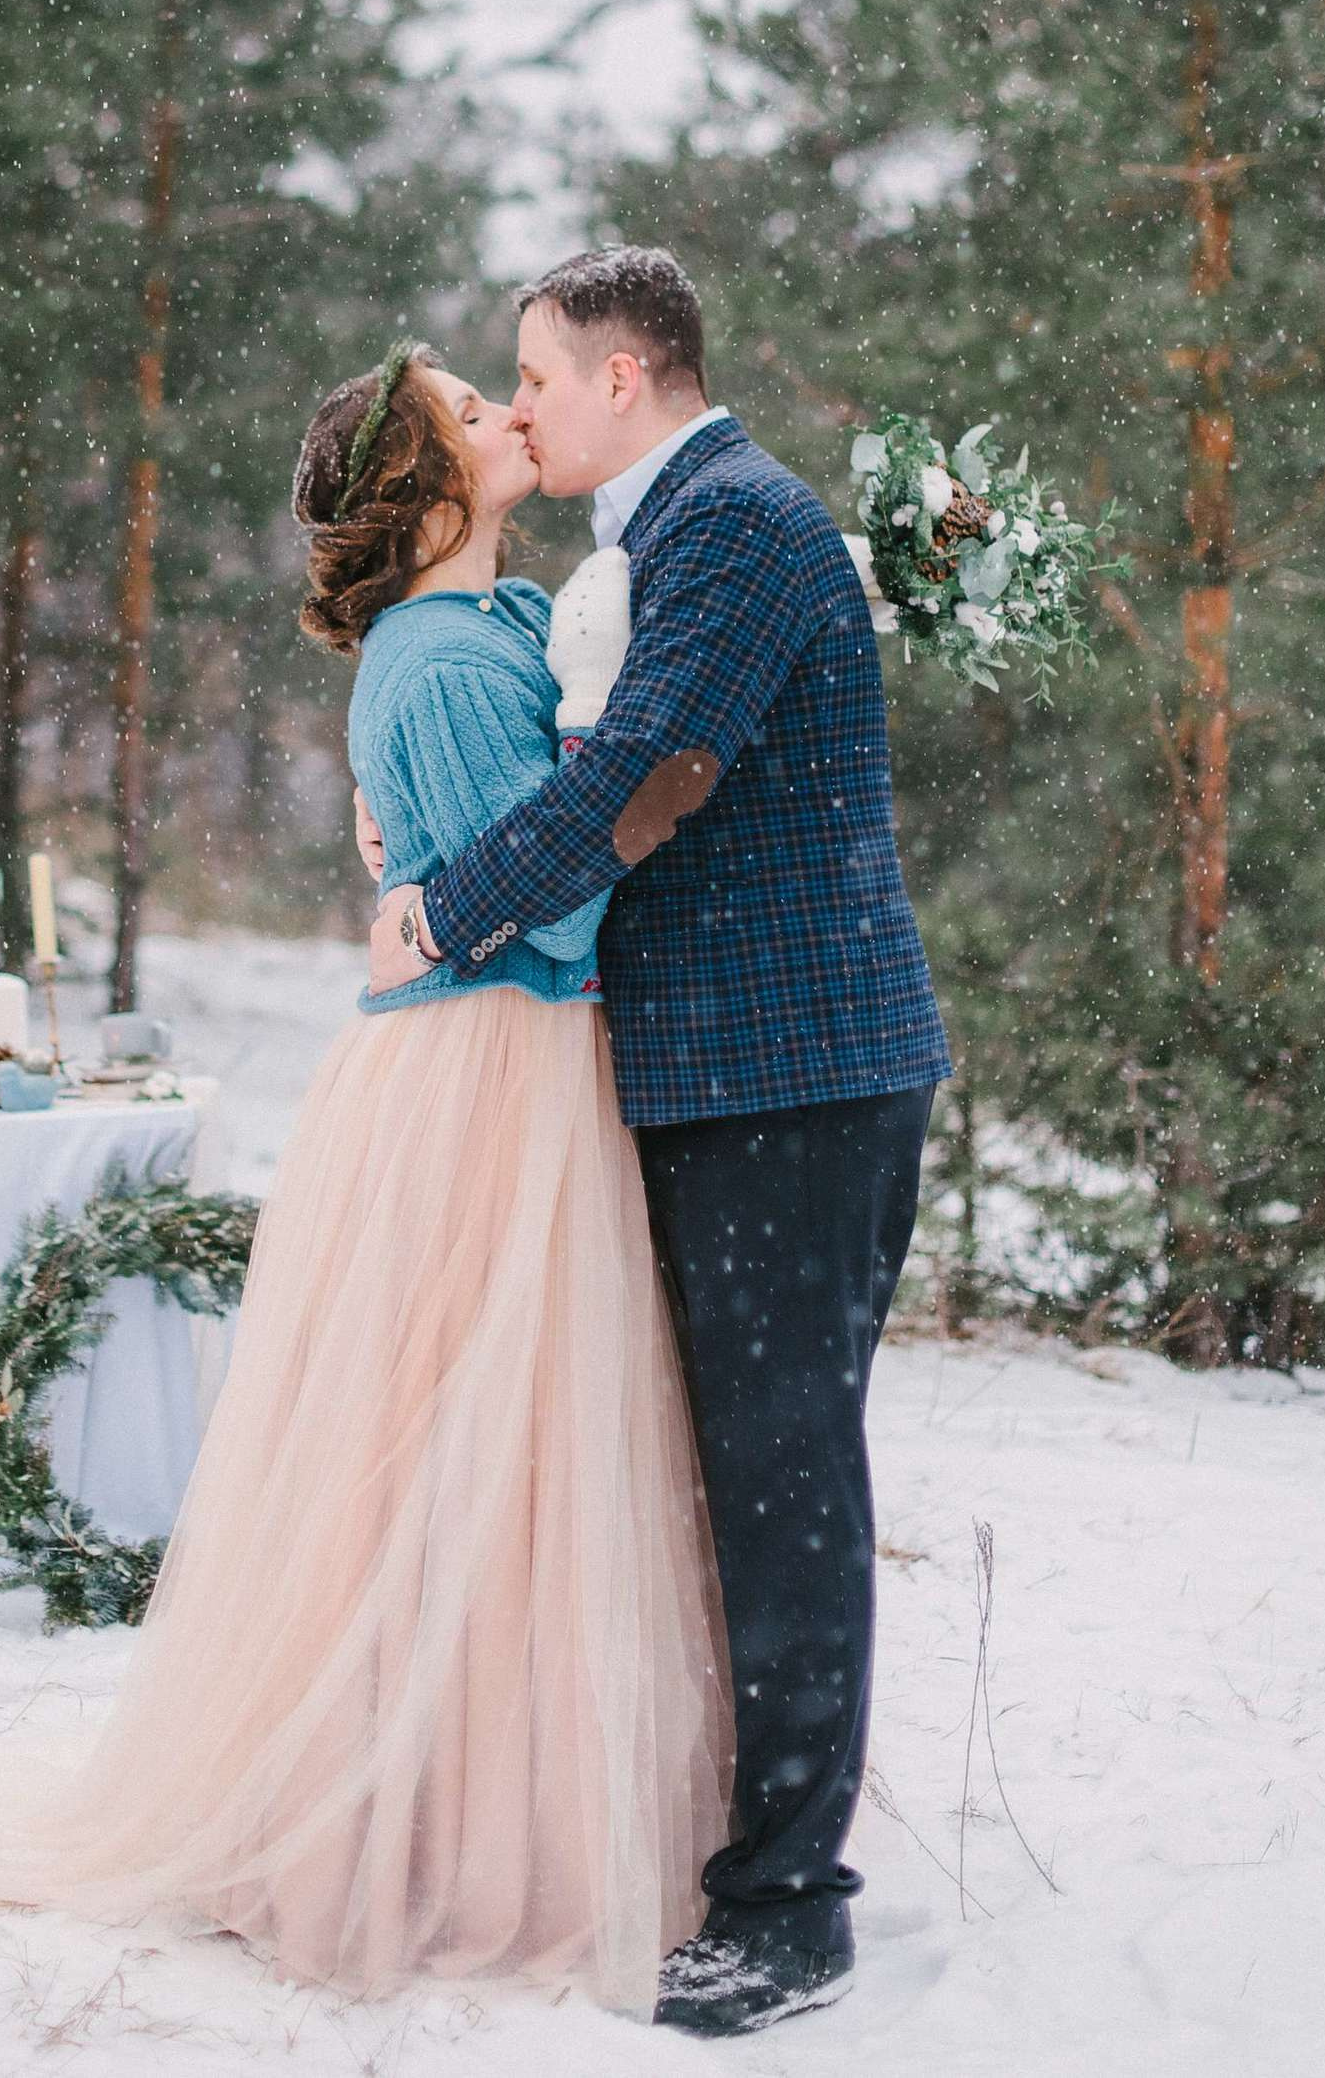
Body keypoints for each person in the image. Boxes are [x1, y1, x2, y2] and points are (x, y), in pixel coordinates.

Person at [0, 340, 731, 2022]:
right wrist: (662, 801)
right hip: (482, 1073)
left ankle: (483, 1788)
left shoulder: (497, 624)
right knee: (449, 1447)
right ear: (433, 487)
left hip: (520, 1054)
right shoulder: (432, 660)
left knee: (509, 1452)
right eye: (472, 405)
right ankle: (400, 1827)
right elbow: (560, 896)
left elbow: (549, 795)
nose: (513, 412)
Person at [366, 245, 950, 2040]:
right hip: (727, 1071)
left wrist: (449, 907)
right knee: (746, 1473)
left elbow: (649, 777)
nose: (518, 403)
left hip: (796, 1072)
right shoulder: (675, 532)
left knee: (783, 1477)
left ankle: (790, 1902)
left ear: (623, 376)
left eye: (532, 373)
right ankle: (744, 1829)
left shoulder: (733, 524)